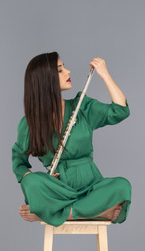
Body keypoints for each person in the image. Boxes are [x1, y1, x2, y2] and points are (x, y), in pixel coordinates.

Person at [12, 52, 131, 227]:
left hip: (90, 185)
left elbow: (120, 111)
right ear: (46, 80)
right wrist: (29, 176)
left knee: (122, 186)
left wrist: (104, 74)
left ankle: (51, 213)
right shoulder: (30, 123)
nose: (68, 72)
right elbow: (19, 162)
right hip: (58, 190)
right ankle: (97, 212)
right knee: (31, 182)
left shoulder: (81, 106)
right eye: (60, 70)